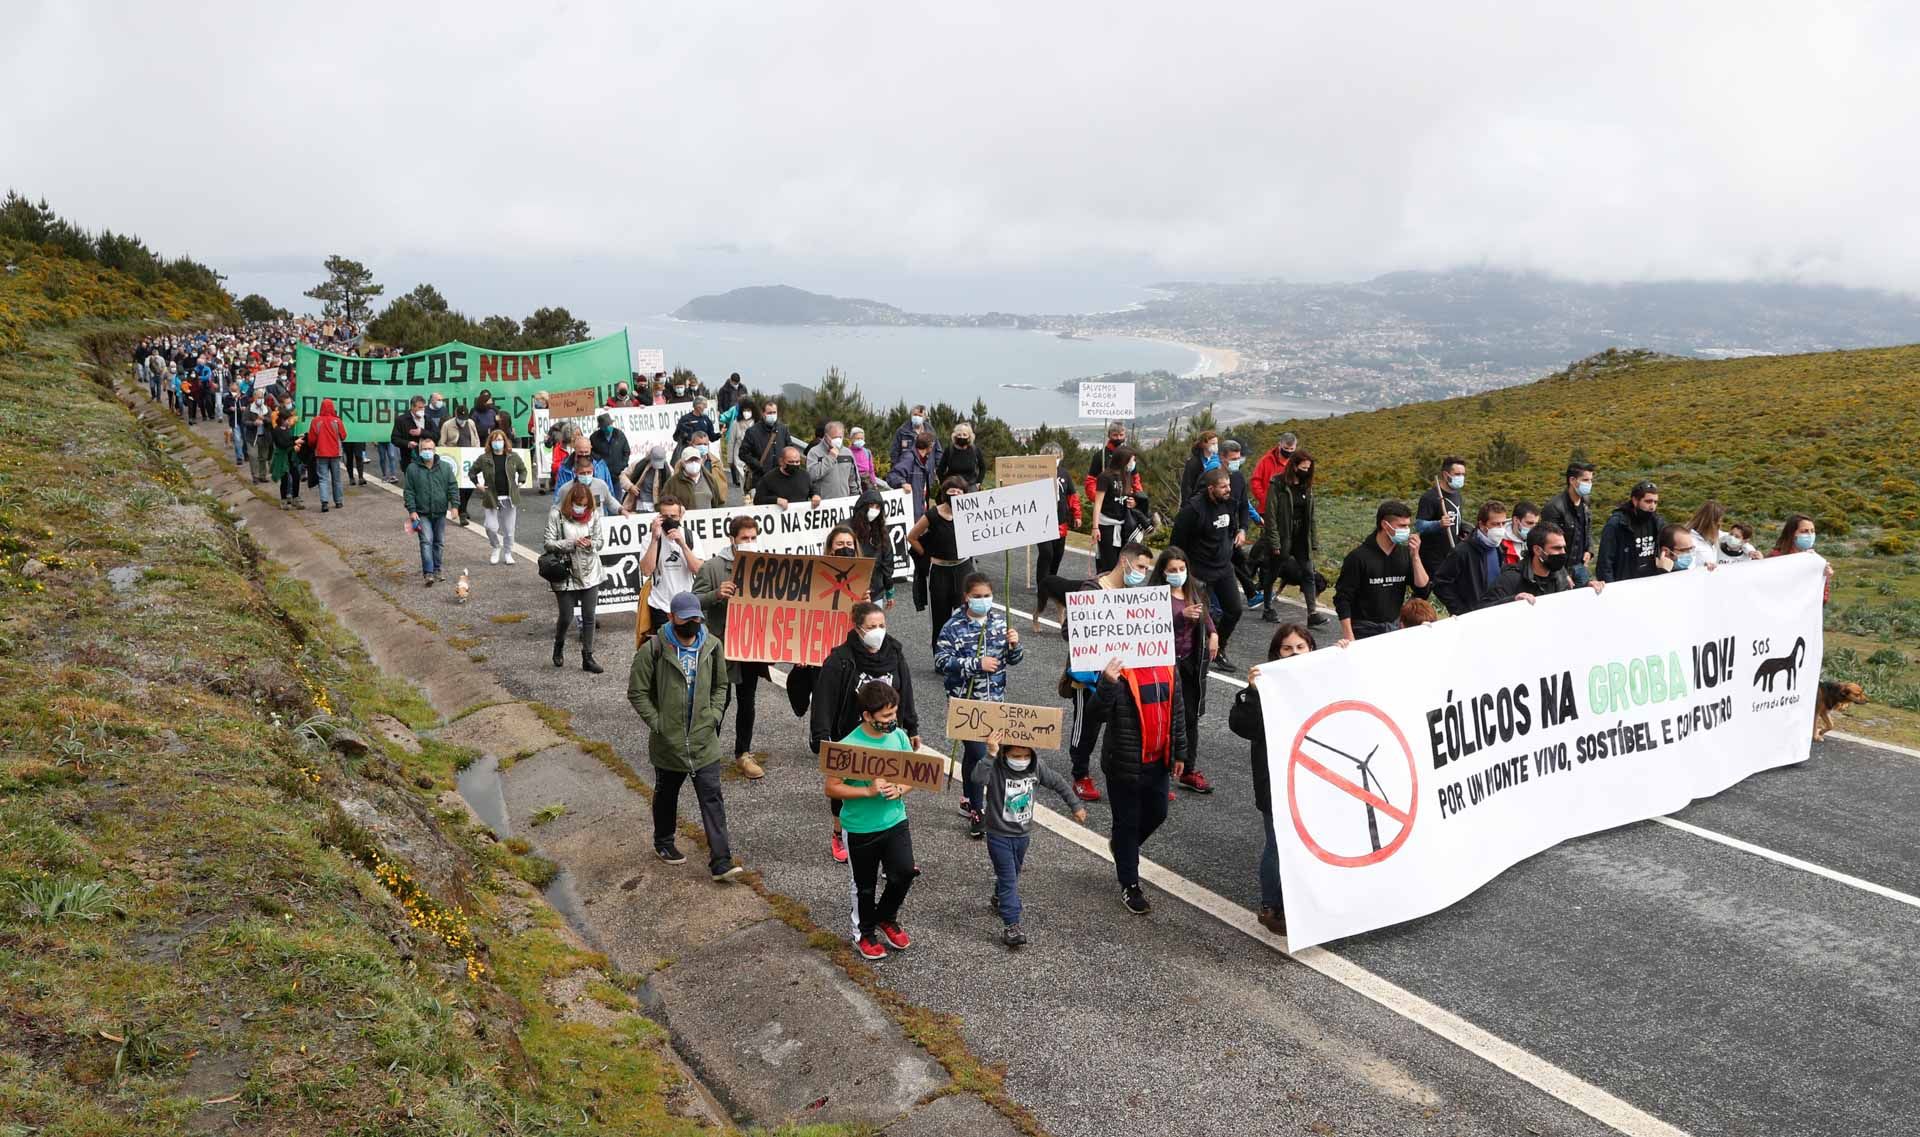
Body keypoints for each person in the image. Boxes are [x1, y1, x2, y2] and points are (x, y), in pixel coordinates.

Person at [628, 591, 741, 881]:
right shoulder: (652, 650)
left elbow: (721, 686)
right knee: (667, 793)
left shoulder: (713, 645)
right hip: (669, 742)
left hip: (704, 740)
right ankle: (663, 842)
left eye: (696, 618)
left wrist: (714, 716)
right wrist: (659, 723)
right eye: (686, 617)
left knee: (712, 797)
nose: (692, 622)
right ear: (671, 617)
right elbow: (637, 692)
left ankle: (721, 861)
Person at [812, 601, 921, 863]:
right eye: (871, 626)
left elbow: (904, 692)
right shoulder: (841, 659)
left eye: (882, 625)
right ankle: (840, 832)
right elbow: (824, 699)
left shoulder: (894, 653)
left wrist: (911, 726)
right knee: (845, 786)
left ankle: (890, 845)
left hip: (885, 734)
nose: (878, 631)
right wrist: (822, 737)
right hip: (850, 732)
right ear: (858, 628)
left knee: (889, 783)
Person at [1230, 623, 1314, 937]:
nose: (1294, 654)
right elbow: (1242, 726)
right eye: (1287, 648)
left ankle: (1302, 902)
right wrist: (1252, 692)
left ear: (1311, 649)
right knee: (1278, 845)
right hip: (1275, 781)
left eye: (1300, 647)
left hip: (1313, 781)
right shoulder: (1265, 686)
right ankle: (1270, 905)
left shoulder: (1324, 679)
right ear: (1276, 653)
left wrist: (1344, 658)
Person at [970, 728, 1086, 948]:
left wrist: (1075, 805)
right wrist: (990, 754)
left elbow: (1059, 782)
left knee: (1013, 872)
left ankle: (998, 898)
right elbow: (976, 777)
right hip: (998, 835)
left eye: (1025, 756)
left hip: (1023, 835)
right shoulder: (996, 768)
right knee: (1009, 878)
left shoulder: (1036, 768)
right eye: (1015, 756)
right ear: (1005, 754)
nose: (1021, 760)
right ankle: (1011, 925)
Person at [826, 681, 918, 959]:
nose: (892, 721)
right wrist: (866, 790)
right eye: (886, 717)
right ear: (867, 716)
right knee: (864, 886)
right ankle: (863, 933)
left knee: (903, 873)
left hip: (895, 820)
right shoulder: (848, 746)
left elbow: (912, 774)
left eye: (894, 714)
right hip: (860, 828)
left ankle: (885, 917)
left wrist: (900, 788)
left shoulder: (899, 737)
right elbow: (831, 788)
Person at [1058, 542, 1154, 802]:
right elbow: (1069, 632)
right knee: (1086, 724)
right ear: (1125, 562)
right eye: (1141, 566)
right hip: (1088, 676)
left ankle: (1126, 774)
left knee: (1122, 724)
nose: (1143, 573)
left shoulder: (1135, 595)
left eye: (1147, 569)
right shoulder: (1092, 589)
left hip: (1120, 676)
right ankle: (1080, 775)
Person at [1094, 649, 1187, 916]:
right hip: (1123, 762)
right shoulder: (1119, 669)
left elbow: (1177, 711)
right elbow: (1096, 713)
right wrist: (1107, 683)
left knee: (1158, 812)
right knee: (1127, 822)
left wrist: (1180, 752)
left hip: (1158, 762)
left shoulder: (1168, 665)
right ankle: (1130, 884)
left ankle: (1123, 848)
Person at [935, 572, 1025, 836]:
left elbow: (1014, 660)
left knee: (973, 755)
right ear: (966, 597)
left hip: (995, 702)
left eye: (987, 596)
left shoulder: (1000, 622)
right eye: (977, 597)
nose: (982, 601)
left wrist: (1014, 646)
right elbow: (941, 661)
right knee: (980, 754)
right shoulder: (953, 625)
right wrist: (976, 664)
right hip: (966, 704)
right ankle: (978, 808)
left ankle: (967, 797)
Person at [693, 515, 770, 779]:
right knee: (719, 701)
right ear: (732, 540)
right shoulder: (713, 567)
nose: (749, 543)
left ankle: (743, 753)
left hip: (751, 646)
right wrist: (715, 594)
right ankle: (707, 753)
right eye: (744, 539)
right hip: (722, 647)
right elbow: (692, 601)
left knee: (747, 701)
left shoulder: (765, 566)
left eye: (753, 538)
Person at [1152, 547, 1216, 794]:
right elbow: (1152, 623)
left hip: (1190, 663)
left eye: (1181, 569)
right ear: (1163, 572)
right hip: (1165, 663)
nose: (1178, 574)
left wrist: (1214, 633)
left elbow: (1204, 612)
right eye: (1172, 570)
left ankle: (1188, 769)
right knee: (1164, 718)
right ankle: (1161, 775)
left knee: (1190, 717)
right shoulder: (1155, 595)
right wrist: (1181, 617)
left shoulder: (1193, 590)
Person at [1170, 467, 1245, 672]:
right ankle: (1195, 654)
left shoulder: (1229, 502)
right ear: (1211, 489)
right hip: (1199, 571)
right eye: (1223, 487)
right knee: (1200, 616)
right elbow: (1176, 544)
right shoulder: (1192, 510)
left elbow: (1234, 524)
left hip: (1223, 567)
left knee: (1234, 610)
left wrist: (1240, 534)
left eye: (1228, 485)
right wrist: (1180, 572)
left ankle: (1219, 648)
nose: (1228, 489)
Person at [1334, 501, 1428, 644]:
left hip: (1394, 627)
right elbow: (1342, 599)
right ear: (1385, 525)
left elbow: (1422, 589)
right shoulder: (1358, 557)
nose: (1407, 530)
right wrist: (1349, 635)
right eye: (1402, 526)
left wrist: (1415, 556)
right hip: (1363, 629)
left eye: (1408, 526)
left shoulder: (1404, 554)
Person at [542, 481, 608, 672]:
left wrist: (590, 544)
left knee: (589, 616)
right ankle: (559, 644)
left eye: (585, 505)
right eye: (578, 504)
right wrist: (571, 543)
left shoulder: (593, 515)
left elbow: (600, 541)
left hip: (589, 570)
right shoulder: (556, 515)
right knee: (566, 615)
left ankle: (588, 656)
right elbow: (548, 543)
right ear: (570, 502)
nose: (581, 509)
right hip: (566, 572)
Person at [908, 477, 976, 651]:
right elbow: (912, 537)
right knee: (940, 616)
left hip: (963, 569)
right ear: (944, 494)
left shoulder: (970, 513)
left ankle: (964, 651)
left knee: (966, 614)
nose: (955, 495)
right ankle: (940, 655)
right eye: (951, 492)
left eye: (959, 492)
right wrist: (926, 555)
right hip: (940, 571)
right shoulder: (932, 514)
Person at [1258, 449, 1324, 625]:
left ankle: (1312, 614)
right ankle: (1267, 608)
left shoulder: (1307, 485)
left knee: (1308, 572)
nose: (1306, 471)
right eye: (1303, 467)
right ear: (1294, 466)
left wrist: (1314, 540)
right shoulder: (1278, 483)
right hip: (1283, 535)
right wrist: (1274, 540)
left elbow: (1312, 515)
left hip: (1301, 537)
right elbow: (1271, 514)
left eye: (1308, 468)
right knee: (1273, 573)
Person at [886, 429, 942, 609]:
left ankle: (922, 569)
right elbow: (893, 475)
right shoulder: (910, 458)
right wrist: (902, 483)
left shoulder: (921, 459)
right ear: (930, 446)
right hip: (913, 508)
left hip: (921, 505)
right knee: (916, 539)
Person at [1485, 522, 1607, 604]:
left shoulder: (1560, 575)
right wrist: (1512, 601)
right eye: (1556, 548)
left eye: (1564, 548)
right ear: (1538, 550)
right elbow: (1482, 608)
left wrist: (1587, 589)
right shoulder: (1512, 577)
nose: (1563, 553)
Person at [638, 495, 704, 643]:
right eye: (665, 516)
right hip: (660, 605)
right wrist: (655, 539)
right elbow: (646, 570)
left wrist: (682, 544)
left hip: (687, 605)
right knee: (664, 650)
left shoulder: (690, 536)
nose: (669, 520)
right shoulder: (650, 538)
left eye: (673, 516)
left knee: (689, 645)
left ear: (681, 516)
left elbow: (699, 570)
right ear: (658, 517)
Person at [1430, 500, 1510, 615]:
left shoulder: (1498, 548)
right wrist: (1462, 611)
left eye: (1503, 523)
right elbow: (1440, 583)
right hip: (1471, 616)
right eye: (1495, 524)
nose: (1501, 528)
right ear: (1482, 525)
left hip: (1494, 612)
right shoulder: (1462, 551)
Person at [1031, 443, 1081, 623]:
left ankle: (1050, 585)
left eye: (1057, 456)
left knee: (1057, 555)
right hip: (1041, 522)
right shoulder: (1037, 473)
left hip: (1060, 522)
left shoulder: (1065, 474)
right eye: (1050, 456)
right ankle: (1042, 586)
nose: (1054, 459)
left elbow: (1072, 496)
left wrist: (1077, 514)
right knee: (1046, 553)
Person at [469, 429, 528, 566]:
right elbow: (472, 472)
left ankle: (508, 552)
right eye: (495, 440)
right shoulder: (484, 458)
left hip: (509, 498)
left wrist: (521, 480)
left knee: (509, 530)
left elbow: (523, 469)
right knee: (490, 527)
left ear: (505, 441)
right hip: (491, 497)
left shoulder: (513, 456)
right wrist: (478, 485)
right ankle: (496, 547)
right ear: (490, 442)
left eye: (500, 440)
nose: (498, 443)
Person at [403, 438, 457, 585]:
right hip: (422, 512)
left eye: (430, 449)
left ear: (435, 450)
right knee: (426, 541)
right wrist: (412, 510)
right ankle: (428, 572)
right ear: (420, 451)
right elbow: (409, 491)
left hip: (440, 512)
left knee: (439, 542)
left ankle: (438, 569)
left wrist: (455, 506)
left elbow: (452, 487)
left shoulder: (445, 468)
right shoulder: (412, 469)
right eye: (424, 449)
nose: (427, 452)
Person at [1414, 456, 1470, 595]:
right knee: (1425, 592)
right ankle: (1415, 614)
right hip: (1432, 558)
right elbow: (1419, 525)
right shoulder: (1430, 497)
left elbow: (1456, 519)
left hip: (1451, 554)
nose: (1461, 478)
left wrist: (1464, 528)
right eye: (1457, 474)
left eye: (1463, 474)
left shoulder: (1457, 495)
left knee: (1453, 593)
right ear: (1446, 475)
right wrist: (1438, 523)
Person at [1090, 445, 1143, 574]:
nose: (1133, 463)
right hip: (1107, 525)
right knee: (1109, 564)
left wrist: (1132, 502)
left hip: (1123, 525)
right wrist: (1095, 527)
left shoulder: (1127, 476)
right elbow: (1098, 503)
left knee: (1123, 563)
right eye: (1132, 460)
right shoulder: (1105, 477)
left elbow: (1126, 497)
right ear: (1123, 460)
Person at [1540, 462, 1596, 584]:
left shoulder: (1585, 503)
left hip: (1580, 566)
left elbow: (1587, 529)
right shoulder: (1554, 507)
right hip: (1561, 570)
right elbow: (1548, 544)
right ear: (1572, 480)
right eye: (1585, 480)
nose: (1589, 484)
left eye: (1591, 480)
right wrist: (1562, 574)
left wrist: (1589, 550)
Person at [1597, 480, 1664, 582]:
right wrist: (1610, 590)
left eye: (1655, 502)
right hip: (1625, 584)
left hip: (1652, 582)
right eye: (1648, 501)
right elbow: (1605, 563)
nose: (1652, 507)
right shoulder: (1617, 524)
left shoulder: (1657, 522)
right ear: (1635, 500)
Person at [848, 489, 898, 605]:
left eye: (877, 507)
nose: (874, 510)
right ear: (863, 506)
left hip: (875, 592)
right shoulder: (847, 528)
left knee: (873, 622)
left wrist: (889, 590)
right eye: (871, 505)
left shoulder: (881, 532)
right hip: (850, 589)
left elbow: (887, 561)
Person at [1769, 513, 1833, 598]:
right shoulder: (1776, 558)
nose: (1810, 535)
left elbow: (1822, 600)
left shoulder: (1813, 559)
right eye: (1804, 531)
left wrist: (1824, 578)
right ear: (1792, 534)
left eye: (1812, 531)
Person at [308, 397, 348, 513]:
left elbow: (311, 439)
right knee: (337, 478)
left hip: (321, 453)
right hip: (335, 453)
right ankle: (338, 501)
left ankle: (324, 502)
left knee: (323, 478)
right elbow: (344, 435)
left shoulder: (316, 421)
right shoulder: (337, 421)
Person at [740, 400, 792, 485]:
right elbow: (743, 453)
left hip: (781, 476)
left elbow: (789, 448)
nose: (772, 415)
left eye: (774, 412)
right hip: (761, 477)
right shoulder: (752, 432)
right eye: (769, 413)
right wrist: (758, 464)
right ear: (763, 413)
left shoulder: (783, 429)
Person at [808, 420, 864, 499]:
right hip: (823, 504)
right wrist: (830, 458)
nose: (838, 440)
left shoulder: (847, 453)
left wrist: (857, 498)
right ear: (826, 436)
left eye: (840, 437)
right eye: (834, 437)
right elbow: (812, 475)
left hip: (843, 503)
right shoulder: (815, 452)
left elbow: (853, 480)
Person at [752, 445, 819, 508]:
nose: (794, 465)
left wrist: (816, 495)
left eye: (797, 462)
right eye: (791, 462)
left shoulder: (805, 475)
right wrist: (776, 500)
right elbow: (758, 500)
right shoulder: (769, 478)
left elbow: (813, 489)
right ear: (781, 462)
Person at [1248, 432, 1297, 518]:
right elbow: (1255, 481)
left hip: (1289, 509)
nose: (1289, 451)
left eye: (1291, 449)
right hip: (1267, 510)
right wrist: (1265, 500)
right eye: (1286, 448)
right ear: (1279, 445)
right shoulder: (1266, 460)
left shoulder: (1296, 462)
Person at [558, 453, 622, 517]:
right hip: (576, 524)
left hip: (598, 523)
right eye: (582, 473)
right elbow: (558, 508)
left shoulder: (601, 485)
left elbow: (610, 502)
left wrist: (621, 509)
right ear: (575, 472)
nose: (586, 475)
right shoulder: (565, 489)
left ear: (593, 471)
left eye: (589, 472)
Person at [664, 445, 725, 510]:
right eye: (690, 460)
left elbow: (718, 503)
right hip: (684, 519)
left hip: (707, 519)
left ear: (701, 460)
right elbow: (663, 504)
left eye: (696, 460)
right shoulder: (672, 483)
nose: (694, 463)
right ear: (682, 462)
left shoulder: (710, 480)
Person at [270, 406, 305, 510]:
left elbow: (289, 439)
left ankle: (296, 498)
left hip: (290, 456)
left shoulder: (287, 429)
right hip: (282, 457)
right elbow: (282, 444)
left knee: (296, 476)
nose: (289, 421)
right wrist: (295, 443)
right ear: (282, 420)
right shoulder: (276, 431)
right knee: (284, 478)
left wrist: (298, 437)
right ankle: (283, 500)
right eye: (287, 420)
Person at [623, 445, 672, 513]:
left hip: (656, 506)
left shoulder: (668, 470)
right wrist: (630, 486)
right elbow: (623, 476)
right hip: (639, 504)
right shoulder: (638, 464)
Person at [938, 422, 985, 491]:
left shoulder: (975, 450)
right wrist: (944, 484)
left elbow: (983, 467)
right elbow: (940, 470)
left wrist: (978, 482)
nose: (961, 437)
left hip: (971, 487)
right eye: (959, 435)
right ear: (955, 436)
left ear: (969, 436)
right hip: (953, 488)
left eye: (964, 435)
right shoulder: (949, 450)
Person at [391, 395, 432, 472]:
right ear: (412, 407)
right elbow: (394, 439)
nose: (422, 410)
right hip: (409, 459)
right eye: (420, 407)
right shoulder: (401, 420)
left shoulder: (428, 418)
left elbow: (436, 435)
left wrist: (422, 432)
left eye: (423, 407)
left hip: (427, 458)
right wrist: (408, 443)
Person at [1688, 500, 1733, 569]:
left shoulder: (1714, 534)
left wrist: (1750, 551)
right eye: (1719, 520)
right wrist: (1703, 565)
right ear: (1711, 522)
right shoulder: (1690, 540)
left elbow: (1736, 538)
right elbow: (1687, 566)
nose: (1720, 524)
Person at [1179, 429, 1220, 503]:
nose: (1216, 446)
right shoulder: (1194, 462)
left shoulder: (1218, 459)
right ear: (1203, 444)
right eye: (1213, 443)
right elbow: (1187, 485)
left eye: (1216, 443)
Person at [244, 389, 273, 484]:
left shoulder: (267, 409)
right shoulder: (249, 409)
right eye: (258, 397)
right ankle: (255, 476)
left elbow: (271, 421)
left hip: (264, 437)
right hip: (252, 437)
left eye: (262, 397)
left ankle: (262, 475)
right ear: (254, 398)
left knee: (263, 457)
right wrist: (253, 423)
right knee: (253, 456)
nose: (260, 399)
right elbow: (244, 421)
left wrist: (264, 419)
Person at [1501, 501, 1539, 567]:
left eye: (1536, 524)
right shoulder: (1499, 543)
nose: (1534, 528)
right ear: (1516, 520)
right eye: (1529, 523)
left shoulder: (1538, 541)